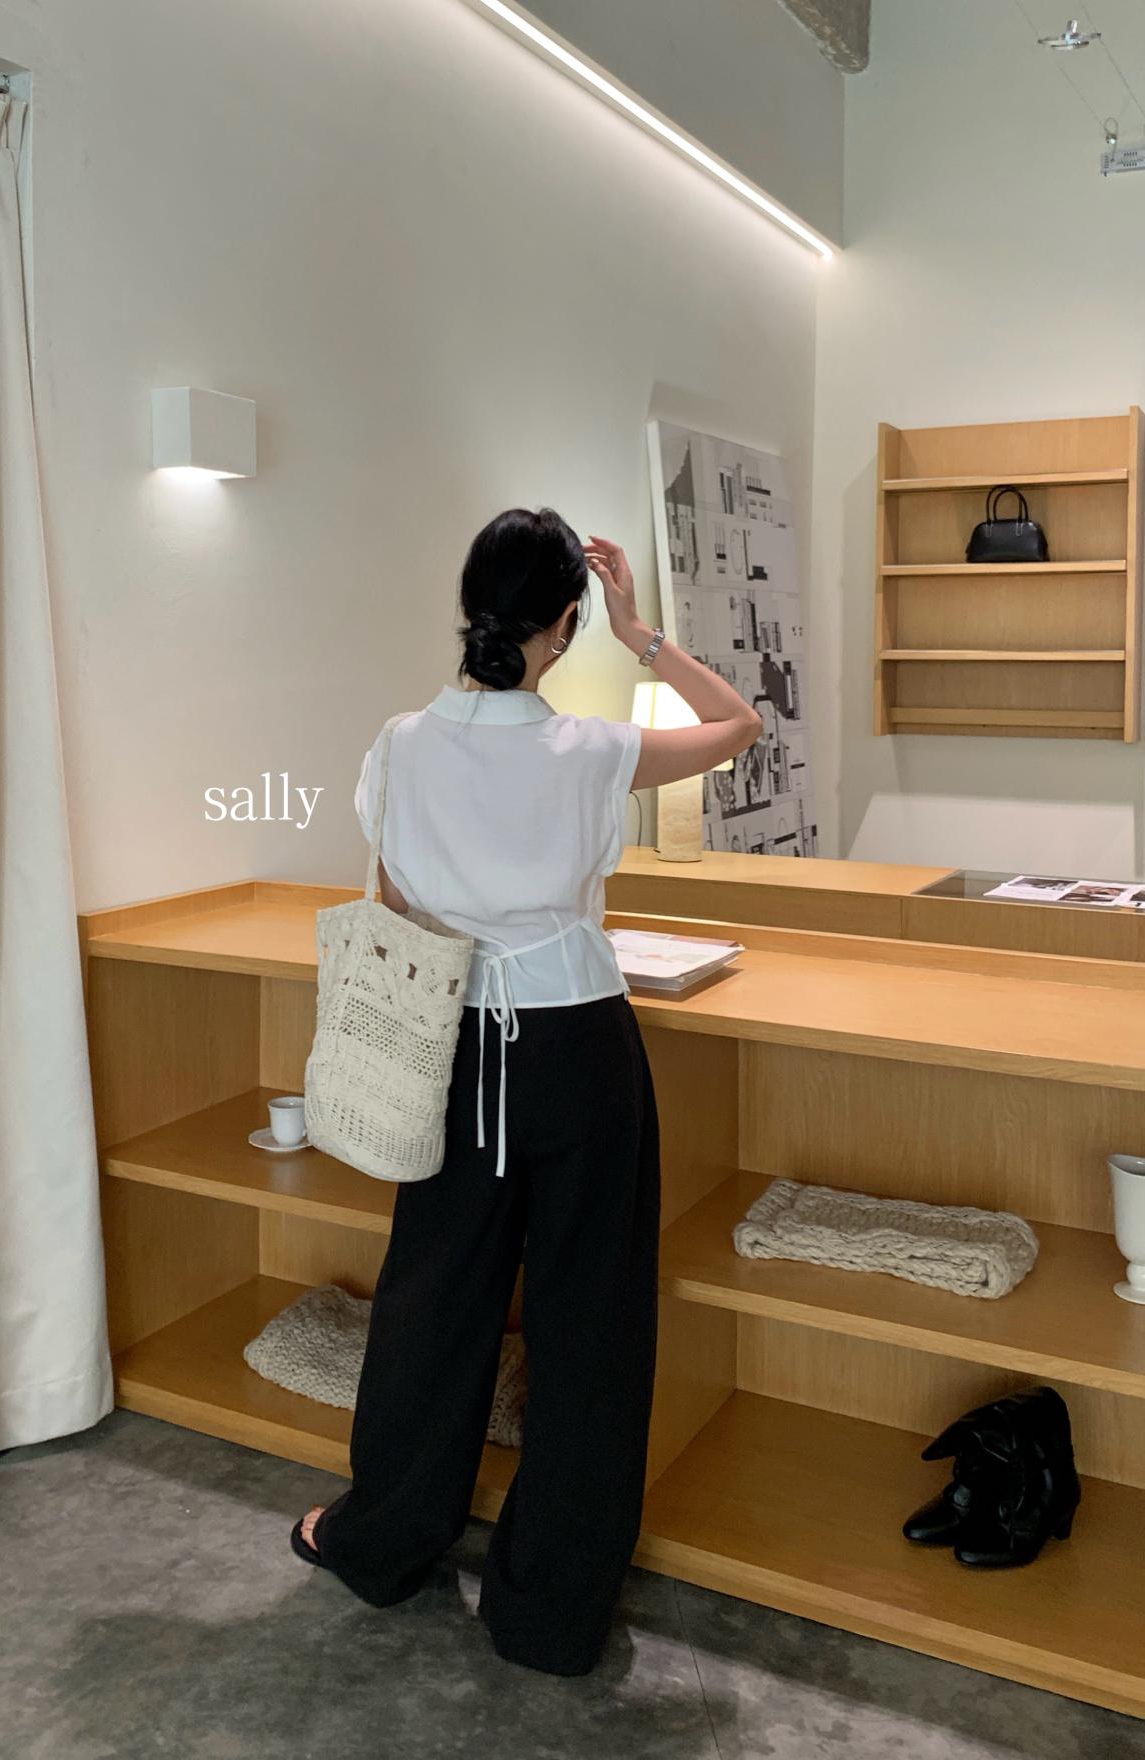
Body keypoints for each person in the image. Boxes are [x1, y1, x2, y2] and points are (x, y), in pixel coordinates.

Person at [290, 507, 762, 1676]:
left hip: (451, 1044)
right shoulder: (592, 749)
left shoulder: (399, 744)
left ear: (470, 610)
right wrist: (641, 634)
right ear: (563, 622)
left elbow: (397, 899)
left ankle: (383, 1540)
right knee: (589, 1322)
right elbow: (737, 724)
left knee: (430, 1298)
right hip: (579, 1049)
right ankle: (549, 1610)